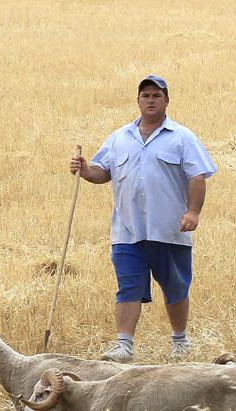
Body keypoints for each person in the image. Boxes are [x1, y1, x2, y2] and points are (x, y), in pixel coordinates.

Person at [69, 75, 217, 362]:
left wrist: (193, 211)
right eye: (145, 95)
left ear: (166, 101)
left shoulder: (182, 137)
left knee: (175, 287)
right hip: (127, 231)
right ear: (138, 101)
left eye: (156, 96)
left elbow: (197, 176)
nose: (150, 100)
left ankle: (179, 340)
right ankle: (124, 346)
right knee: (128, 286)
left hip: (170, 229)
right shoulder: (119, 138)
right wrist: (86, 171)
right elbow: (103, 172)